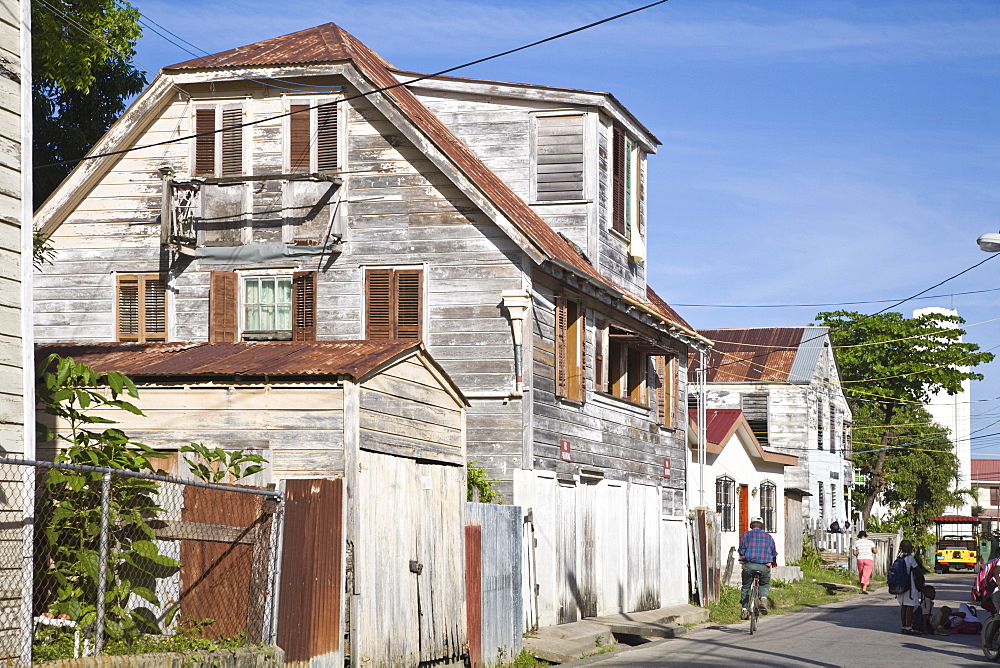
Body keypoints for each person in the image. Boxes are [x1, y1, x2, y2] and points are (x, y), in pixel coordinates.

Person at [739, 516, 777, 620]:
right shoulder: (769, 537)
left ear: (751, 525)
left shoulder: (745, 535)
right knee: (764, 584)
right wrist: (774, 562)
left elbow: (741, 551)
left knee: (746, 586)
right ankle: (763, 599)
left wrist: (744, 556)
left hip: (749, 565)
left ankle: (744, 610)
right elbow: (774, 553)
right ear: (762, 526)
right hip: (764, 566)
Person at [896, 539, 924, 634]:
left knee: (904, 606)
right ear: (910, 548)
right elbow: (917, 570)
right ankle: (908, 627)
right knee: (910, 606)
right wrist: (922, 581)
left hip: (900, 585)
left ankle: (903, 626)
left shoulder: (899, 557)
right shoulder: (910, 558)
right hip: (910, 585)